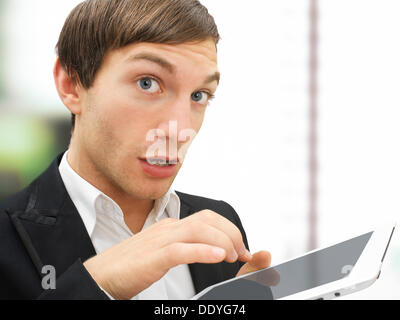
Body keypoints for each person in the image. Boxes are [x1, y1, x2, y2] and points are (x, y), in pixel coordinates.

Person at [0, 0, 271, 300]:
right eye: (147, 83)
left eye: (199, 95)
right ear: (71, 84)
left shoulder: (219, 226)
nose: (179, 130)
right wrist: (98, 283)